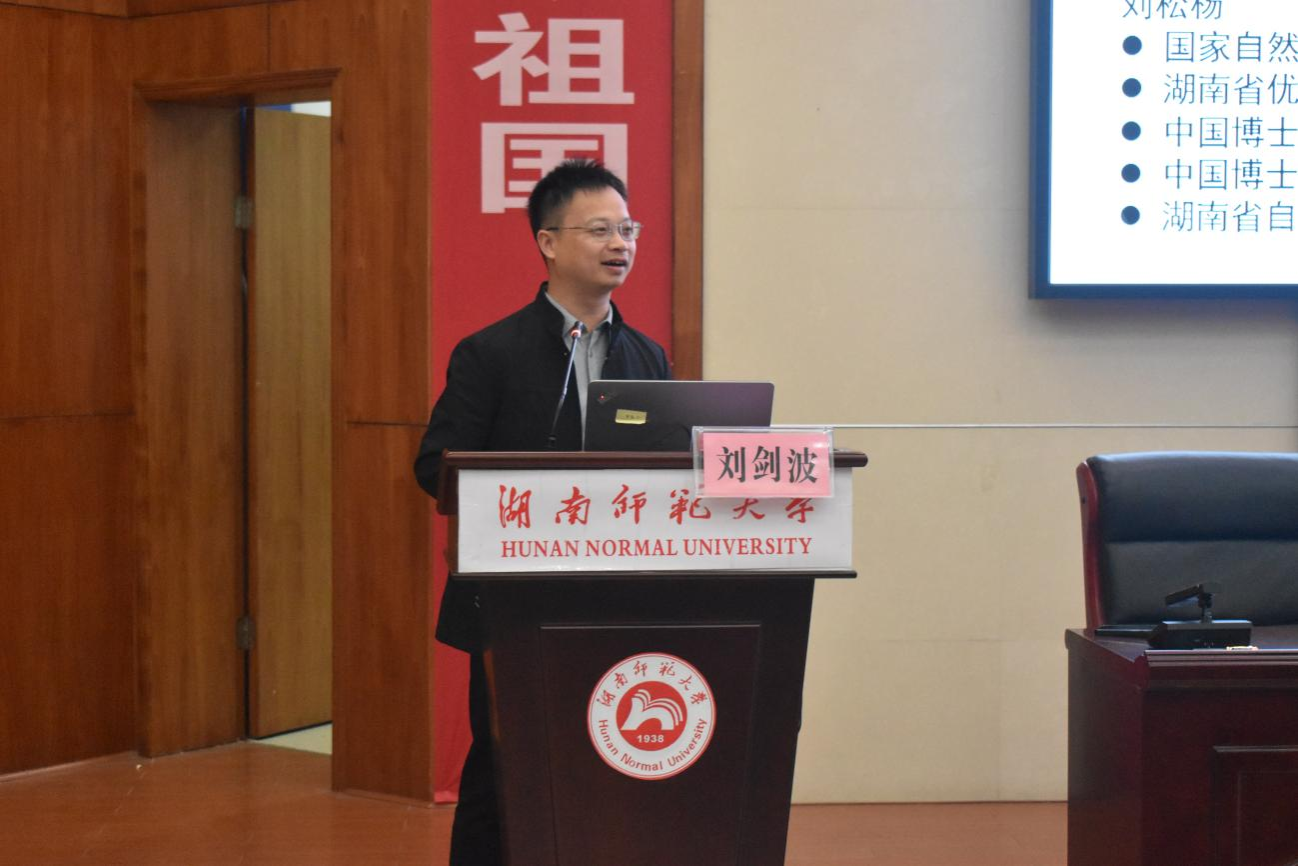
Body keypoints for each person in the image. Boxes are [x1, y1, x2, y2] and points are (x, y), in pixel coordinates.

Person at [413, 159, 671, 866]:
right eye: (600, 230)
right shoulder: (491, 353)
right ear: (548, 243)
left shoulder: (647, 358)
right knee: (504, 766)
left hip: (617, 594)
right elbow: (435, 464)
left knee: (604, 761)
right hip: (513, 596)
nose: (620, 244)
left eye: (628, 230)